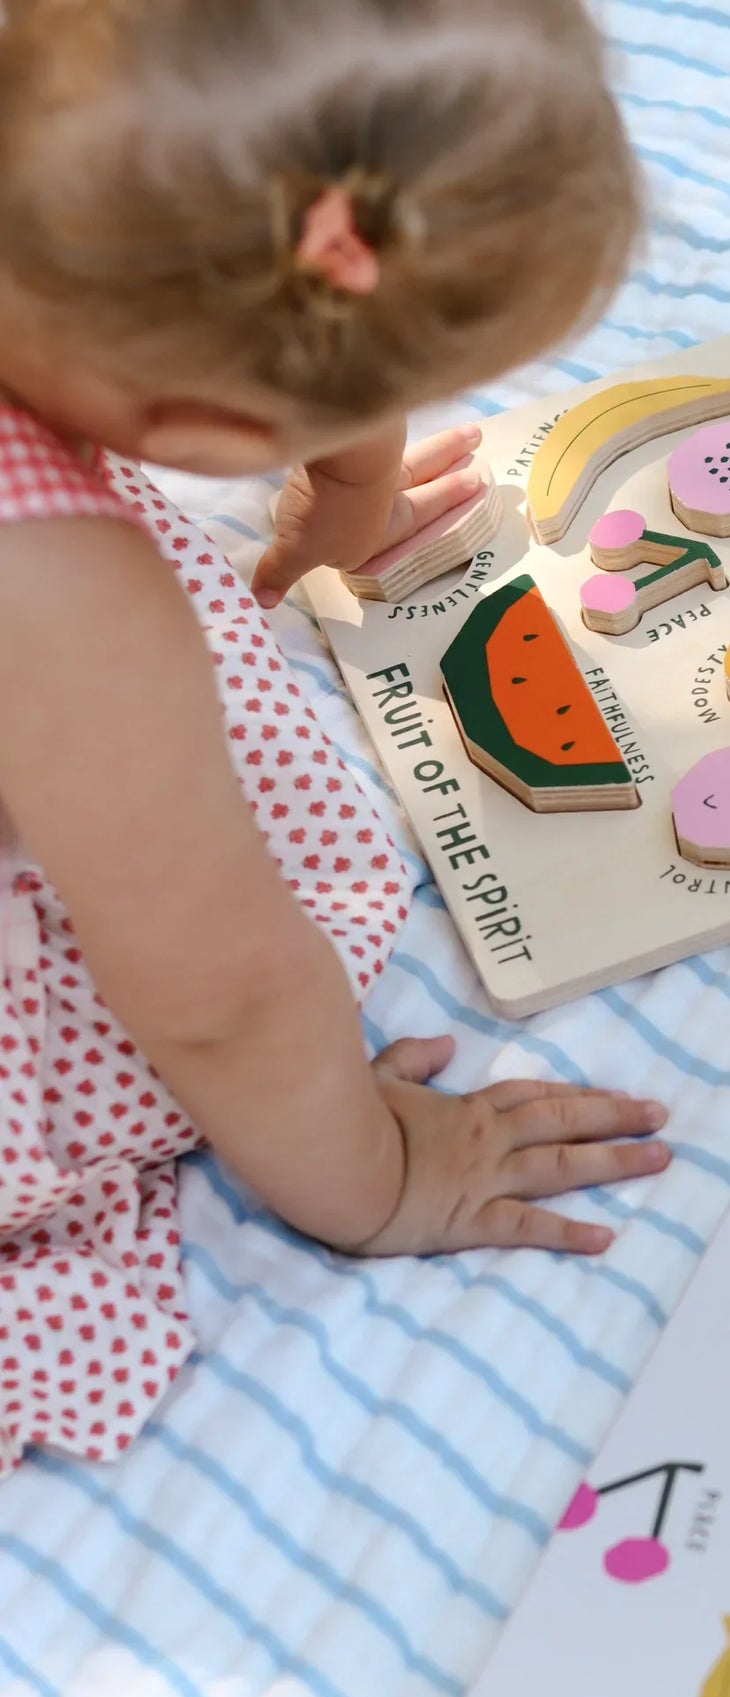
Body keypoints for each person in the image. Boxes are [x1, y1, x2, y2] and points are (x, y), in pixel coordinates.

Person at [0, 0, 669, 1475]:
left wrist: (334, 471)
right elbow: (219, 994)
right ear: (200, 407)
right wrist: (378, 1179)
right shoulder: (62, 602)